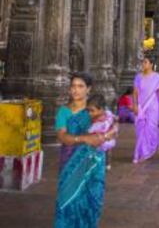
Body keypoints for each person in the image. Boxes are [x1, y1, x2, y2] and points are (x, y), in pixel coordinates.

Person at [54, 73, 117, 228]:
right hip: (71, 162)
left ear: (88, 89)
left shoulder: (96, 108)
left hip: (94, 163)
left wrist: (106, 135)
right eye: (73, 86)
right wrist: (84, 139)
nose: (76, 90)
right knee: (67, 200)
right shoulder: (64, 111)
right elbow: (62, 137)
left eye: (80, 86)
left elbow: (113, 125)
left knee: (91, 201)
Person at [132, 54, 159, 164]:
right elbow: (135, 92)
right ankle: (141, 152)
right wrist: (135, 105)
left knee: (151, 129)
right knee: (141, 130)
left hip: (153, 107)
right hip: (142, 107)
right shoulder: (138, 77)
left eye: (146, 62)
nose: (143, 64)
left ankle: (148, 150)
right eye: (143, 62)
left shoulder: (157, 77)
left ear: (151, 64)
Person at [87, 93, 117, 171]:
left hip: (107, 137)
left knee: (108, 151)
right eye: (88, 110)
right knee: (94, 151)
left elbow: (114, 125)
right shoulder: (92, 119)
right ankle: (95, 163)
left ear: (101, 109)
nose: (90, 113)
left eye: (92, 111)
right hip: (96, 138)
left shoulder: (108, 115)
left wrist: (111, 132)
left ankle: (107, 163)